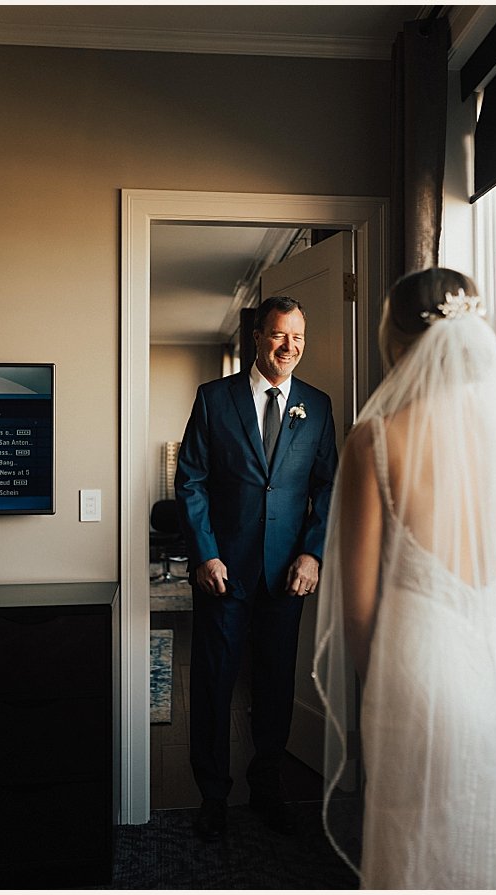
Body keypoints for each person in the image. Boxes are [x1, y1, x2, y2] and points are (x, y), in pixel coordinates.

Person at [313, 268, 496, 888]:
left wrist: (376, 695)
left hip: (421, 664)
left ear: (396, 341)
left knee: (415, 839)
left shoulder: (374, 440)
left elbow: (359, 607)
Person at [176, 295, 338, 842]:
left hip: (286, 576)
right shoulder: (214, 399)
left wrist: (313, 553)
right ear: (257, 338)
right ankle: (213, 799)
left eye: (298, 337)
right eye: (278, 335)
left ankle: (266, 790)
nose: (289, 347)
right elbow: (191, 481)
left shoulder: (317, 406)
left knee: (274, 687)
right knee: (214, 687)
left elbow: (328, 487)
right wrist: (205, 553)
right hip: (222, 574)